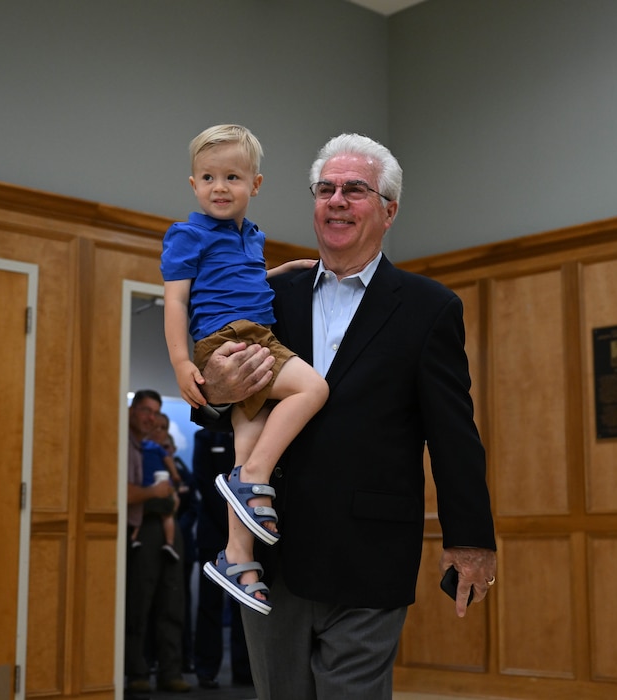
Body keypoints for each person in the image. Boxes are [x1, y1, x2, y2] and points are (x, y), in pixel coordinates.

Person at [193, 133, 498, 700]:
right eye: (325, 188)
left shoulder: (429, 309)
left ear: (389, 210)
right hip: (270, 554)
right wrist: (212, 392)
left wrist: (471, 538)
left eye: (355, 189)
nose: (337, 199)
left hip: (369, 556)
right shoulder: (269, 295)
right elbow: (224, 401)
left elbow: (454, 434)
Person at [161, 124, 329, 616]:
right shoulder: (187, 234)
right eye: (208, 177)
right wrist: (180, 361)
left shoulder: (251, 237)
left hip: (255, 329)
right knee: (313, 389)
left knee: (249, 436)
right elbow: (175, 301)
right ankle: (252, 478)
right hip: (231, 340)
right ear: (193, 185)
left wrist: (280, 271)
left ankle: (238, 555)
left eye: (232, 176)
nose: (219, 187)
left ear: (255, 184)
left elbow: (242, 279)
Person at [124, 390, 191, 694]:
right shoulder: (125, 447)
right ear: (132, 412)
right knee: (139, 601)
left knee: (172, 601)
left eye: (156, 413)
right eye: (145, 411)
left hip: (168, 526)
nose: (151, 419)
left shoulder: (160, 451)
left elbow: (181, 491)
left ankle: (170, 671)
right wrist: (155, 493)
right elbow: (125, 493)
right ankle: (136, 672)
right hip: (143, 526)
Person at [191, 428, 253, 689]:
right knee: (210, 605)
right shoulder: (206, 437)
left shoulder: (251, 433)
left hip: (248, 536)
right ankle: (206, 669)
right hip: (213, 533)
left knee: (245, 605)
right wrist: (232, 522)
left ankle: (245, 671)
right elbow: (204, 482)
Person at [140, 413, 183, 562]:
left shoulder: (163, 455)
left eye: (163, 428)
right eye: (155, 426)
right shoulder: (136, 450)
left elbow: (174, 478)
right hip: (144, 520)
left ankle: (169, 544)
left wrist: (174, 485)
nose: (158, 431)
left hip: (165, 513)